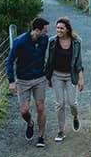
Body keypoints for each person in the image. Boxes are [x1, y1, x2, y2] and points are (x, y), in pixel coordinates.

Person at [6, 17, 50, 148]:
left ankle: (41, 136)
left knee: (40, 107)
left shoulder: (45, 40)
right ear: (36, 30)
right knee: (24, 110)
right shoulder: (20, 42)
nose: (46, 33)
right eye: (44, 31)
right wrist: (11, 81)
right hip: (23, 80)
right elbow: (9, 61)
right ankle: (30, 123)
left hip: (39, 78)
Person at [45, 16, 84, 142]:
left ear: (67, 29)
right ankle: (61, 131)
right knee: (60, 104)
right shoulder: (52, 41)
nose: (59, 30)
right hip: (57, 75)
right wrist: (48, 77)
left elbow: (79, 63)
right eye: (57, 28)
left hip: (70, 75)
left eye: (61, 28)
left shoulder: (76, 42)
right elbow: (49, 61)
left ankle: (75, 116)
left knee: (72, 103)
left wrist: (81, 79)